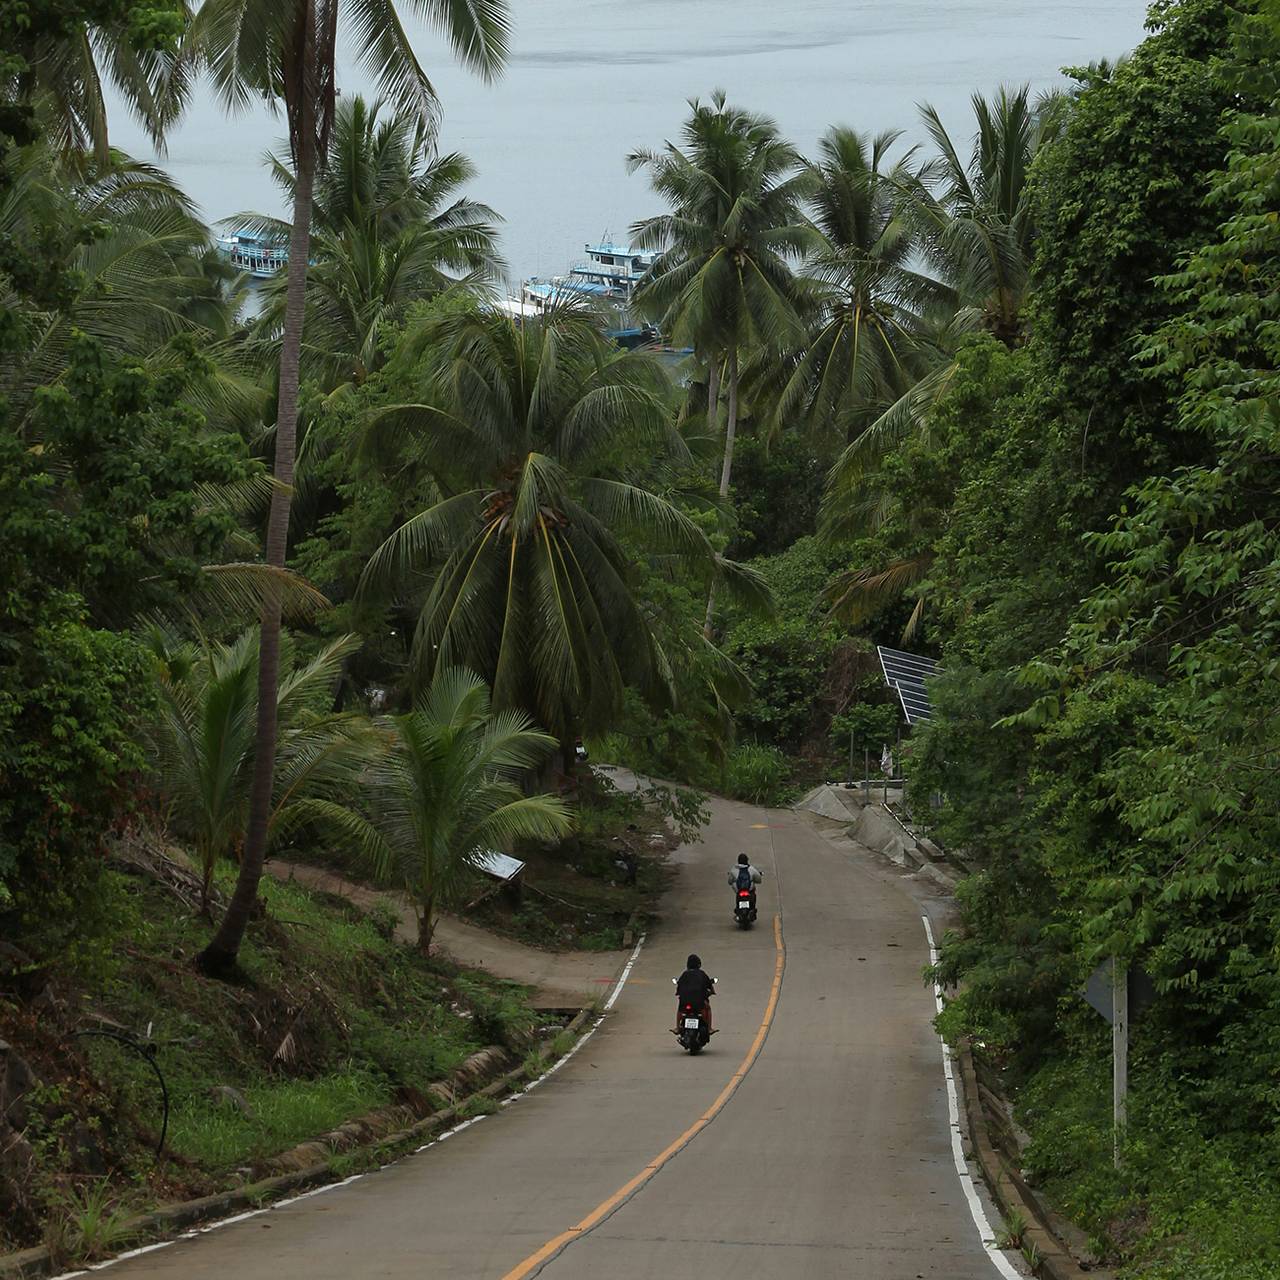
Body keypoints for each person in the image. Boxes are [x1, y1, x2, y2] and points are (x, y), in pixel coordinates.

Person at [674, 953, 715, 1033]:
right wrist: (712, 992)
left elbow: (679, 986)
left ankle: (677, 1028)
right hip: (699, 1001)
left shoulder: (684, 974)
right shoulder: (702, 974)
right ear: (699, 964)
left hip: (685, 1001)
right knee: (708, 1008)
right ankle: (709, 1028)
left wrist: (678, 993)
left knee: (680, 1010)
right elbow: (709, 985)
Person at [727, 853, 763, 917]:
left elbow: (730, 881)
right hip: (749, 891)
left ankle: (738, 910)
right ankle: (752, 909)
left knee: (738, 895)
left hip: (739, 892)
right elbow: (759, 880)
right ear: (747, 861)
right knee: (753, 892)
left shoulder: (734, 870)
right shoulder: (751, 869)